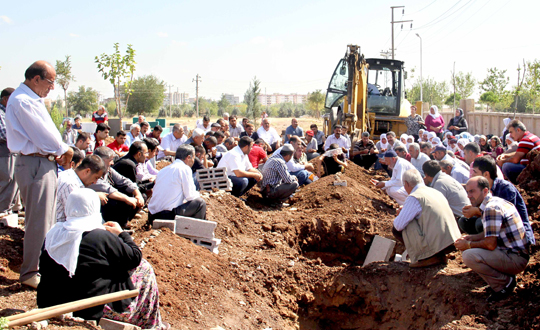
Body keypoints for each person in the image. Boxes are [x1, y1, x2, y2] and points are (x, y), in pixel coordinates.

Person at [37, 189, 169, 329]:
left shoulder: (54, 233)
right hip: (90, 308)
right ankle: (150, 324)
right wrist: (122, 234)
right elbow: (135, 256)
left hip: (51, 303)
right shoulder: (100, 237)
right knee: (144, 267)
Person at [5, 61, 74, 288]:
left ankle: (37, 268)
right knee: (38, 221)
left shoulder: (32, 99)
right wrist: (64, 150)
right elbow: (43, 136)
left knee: (45, 219)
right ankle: (30, 273)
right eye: (50, 82)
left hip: (41, 161)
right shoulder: (23, 100)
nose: (52, 87)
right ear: (36, 79)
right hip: (34, 161)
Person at [455, 176, 529, 302]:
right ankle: (502, 280)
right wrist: (471, 238)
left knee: (469, 256)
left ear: (485, 191)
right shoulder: (492, 203)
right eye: (467, 192)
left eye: (472, 191)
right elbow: (490, 233)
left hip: (515, 258)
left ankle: (504, 283)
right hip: (513, 253)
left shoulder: (491, 209)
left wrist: (468, 244)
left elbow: (490, 244)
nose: (468, 196)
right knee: (470, 249)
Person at [392, 169, 461, 267]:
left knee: (399, 227)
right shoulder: (435, 192)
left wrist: (401, 213)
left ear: (407, 184)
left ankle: (426, 256)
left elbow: (398, 226)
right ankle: (438, 255)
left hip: (436, 243)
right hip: (450, 240)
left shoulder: (414, 196)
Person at [464, 156, 534, 245]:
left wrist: (478, 211)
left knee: (479, 224)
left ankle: (490, 245)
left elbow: (503, 216)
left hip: (516, 236)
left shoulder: (505, 188)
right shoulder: (484, 189)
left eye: (475, 172)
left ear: (486, 174)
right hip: (496, 225)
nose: (472, 175)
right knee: (465, 221)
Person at [148, 145, 206, 223]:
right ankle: (194, 232)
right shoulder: (184, 168)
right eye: (193, 158)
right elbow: (190, 196)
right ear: (188, 157)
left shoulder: (163, 170)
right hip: (166, 215)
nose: (193, 161)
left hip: (152, 214)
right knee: (200, 203)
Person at [90, 147, 144, 228]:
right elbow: (108, 190)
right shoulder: (93, 174)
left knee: (132, 194)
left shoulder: (108, 170)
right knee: (117, 201)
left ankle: (122, 225)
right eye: (110, 160)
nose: (112, 163)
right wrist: (128, 199)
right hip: (98, 206)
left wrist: (137, 194)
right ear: (101, 160)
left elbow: (124, 180)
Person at [56, 155, 106, 222]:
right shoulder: (70, 184)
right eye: (96, 178)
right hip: (60, 228)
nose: (95, 182)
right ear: (87, 171)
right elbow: (77, 217)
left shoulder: (69, 176)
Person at [0, 87, 19, 216]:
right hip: (4, 152)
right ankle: (2, 210)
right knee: (7, 179)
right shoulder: (1, 113)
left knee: (13, 181)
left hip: (12, 151)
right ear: (6, 99)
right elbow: (4, 134)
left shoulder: (8, 112)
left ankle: (8, 208)